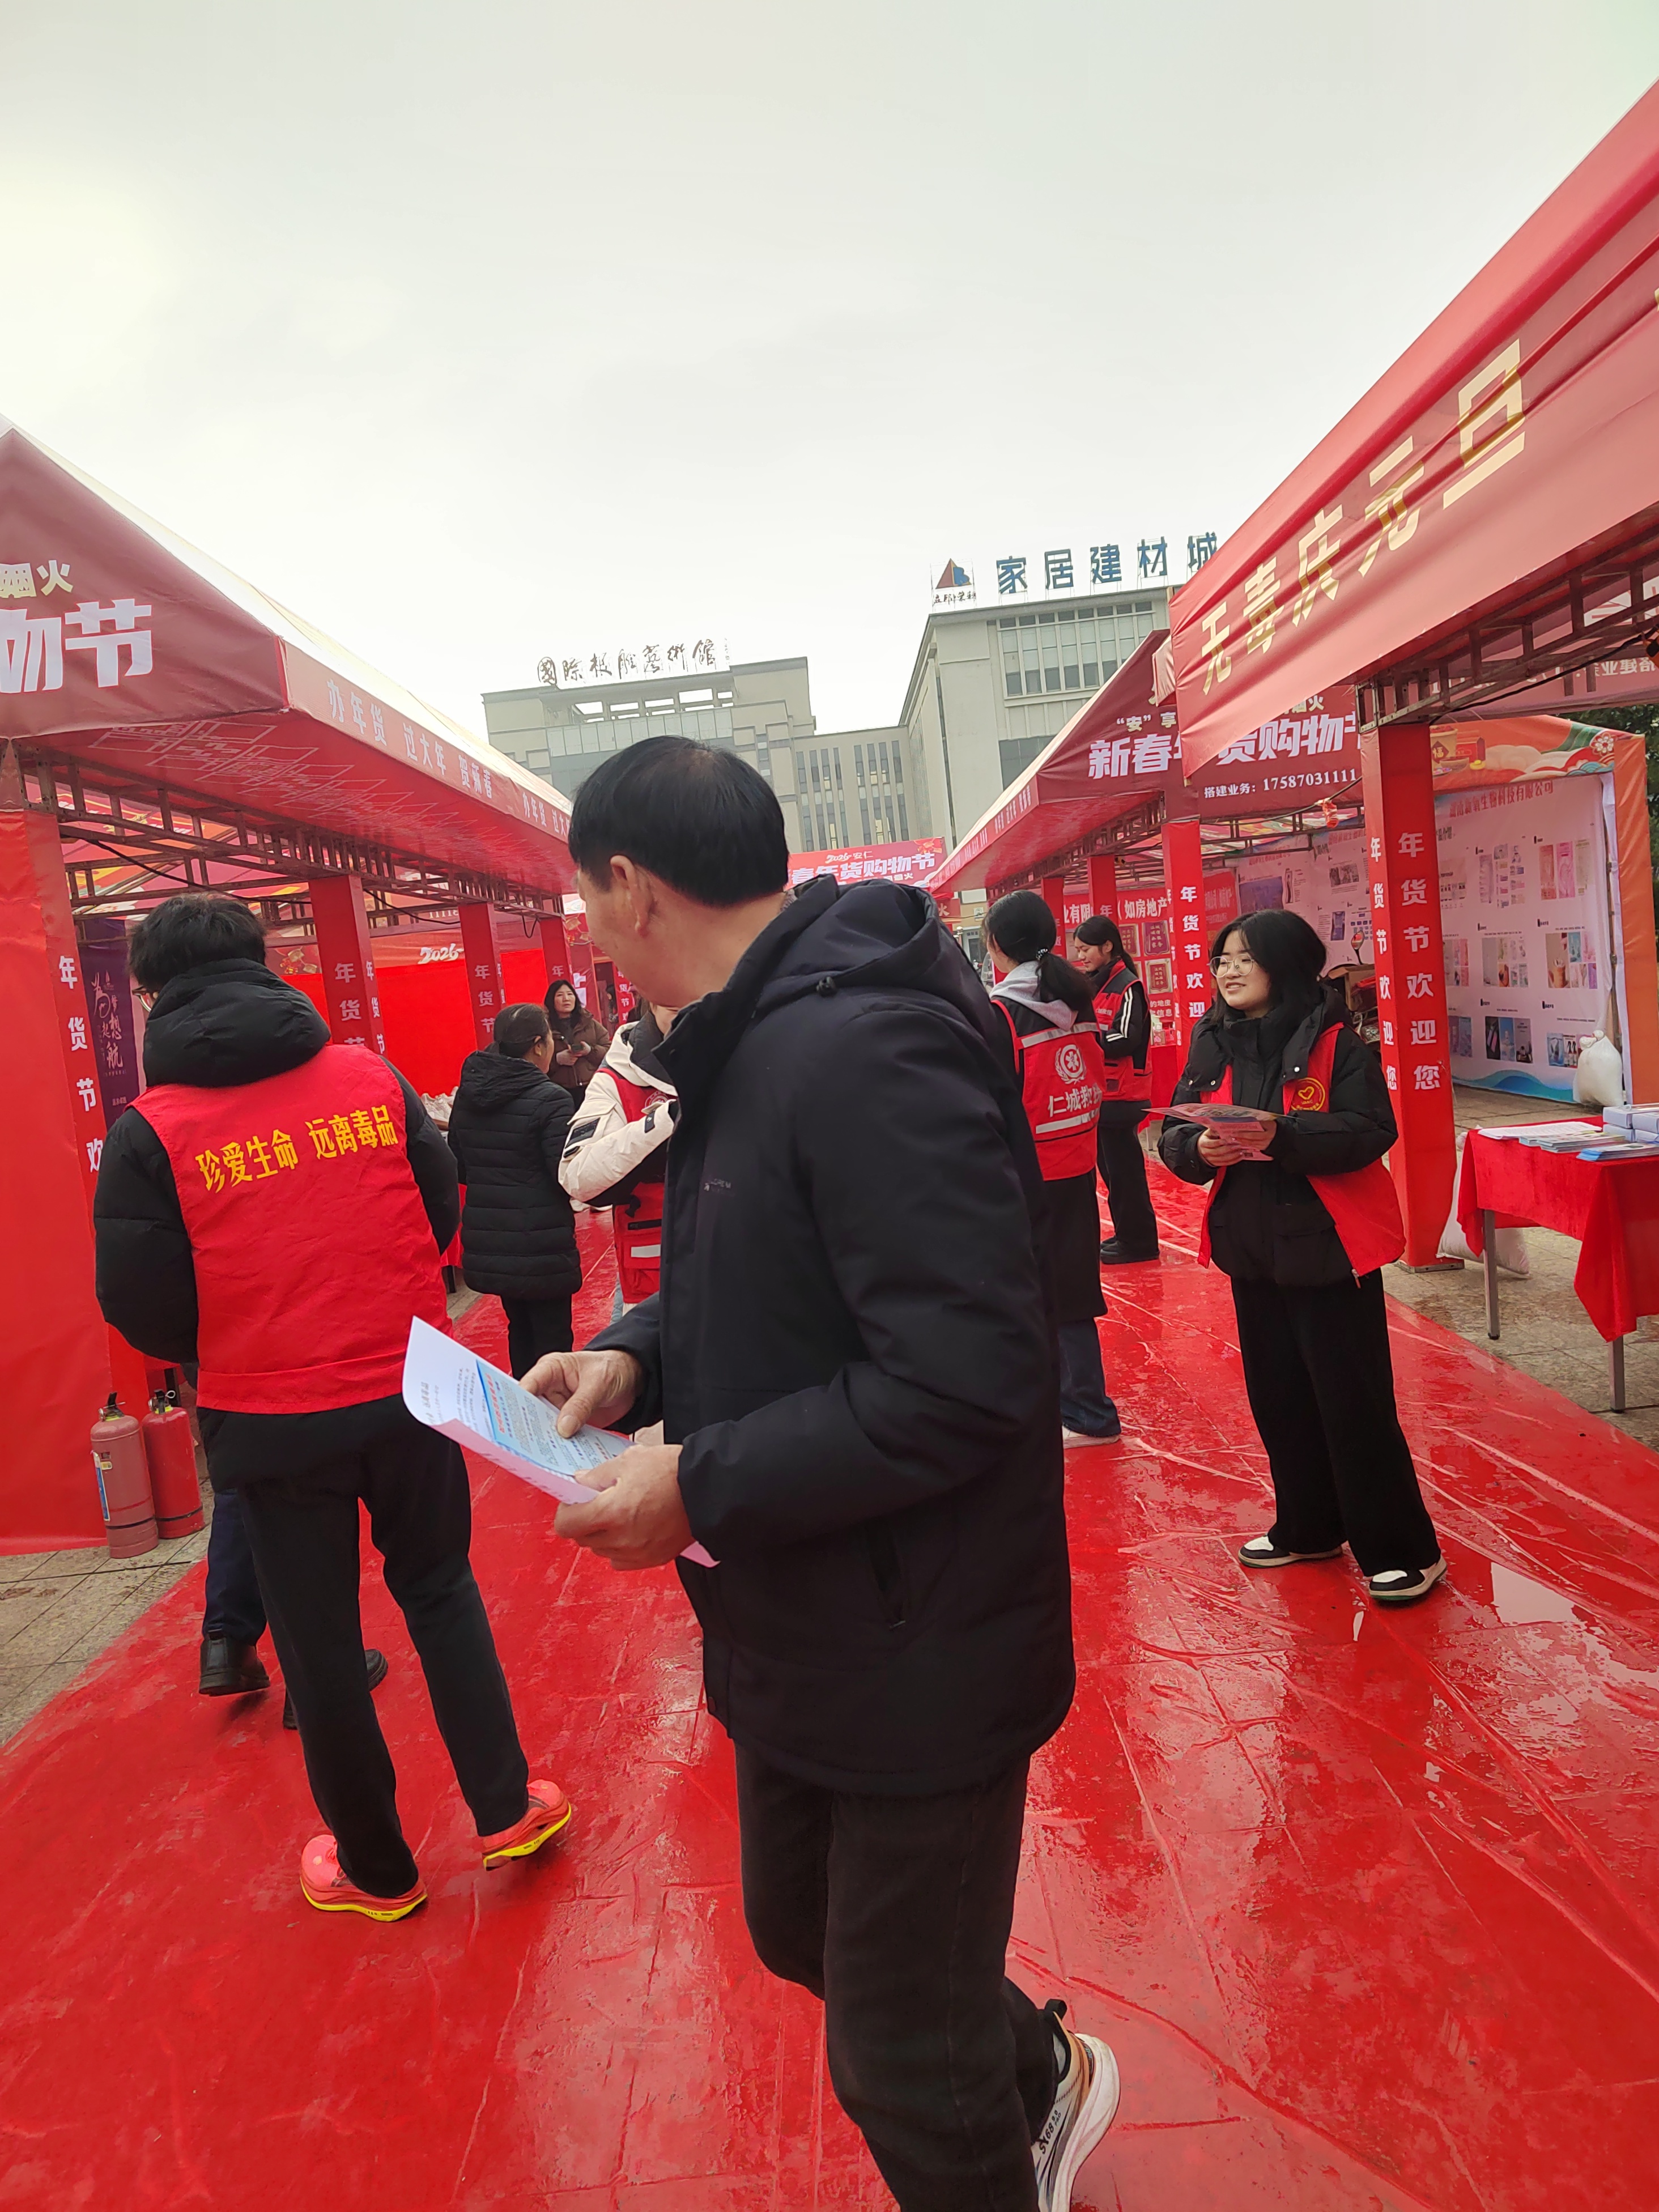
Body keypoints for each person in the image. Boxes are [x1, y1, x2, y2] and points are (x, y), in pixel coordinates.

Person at [523, 736, 1118, 2212]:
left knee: (901, 2052)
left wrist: (699, 1484)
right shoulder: (743, 1035)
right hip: (806, 1608)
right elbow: (763, 1268)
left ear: (631, 885)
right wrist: (636, 1357)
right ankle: (1041, 2073)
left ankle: (1010, 2103)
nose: (588, 933)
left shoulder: (858, 1046)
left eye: (585, 900)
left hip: (923, 1631)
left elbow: (965, 1374)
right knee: (799, 1928)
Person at [93, 891, 571, 1919]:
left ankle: (378, 1870)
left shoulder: (150, 1132)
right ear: (266, 964)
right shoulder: (367, 1076)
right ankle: (505, 1806)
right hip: (408, 1387)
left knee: (317, 1641)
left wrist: (237, 1340)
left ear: (152, 997)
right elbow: (436, 1201)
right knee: (440, 1587)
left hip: (268, 1419)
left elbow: (139, 1300)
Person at [1157, 908, 1445, 1605]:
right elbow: (1173, 1130)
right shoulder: (1212, 1039)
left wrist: (1282, 1135)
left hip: (1328, 1246)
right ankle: (1309, 1526)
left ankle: (1405, 1550)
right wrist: (1198, 1148)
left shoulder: (1335, 1040)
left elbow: (1370, 1129)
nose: (1227, 971)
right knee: (1279, 1397)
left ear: (1283, 964)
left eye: (1244, 959)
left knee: (1354, 1403)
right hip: (1252, 1246)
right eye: (1223, 959)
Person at [987, 892, 1120, 1447]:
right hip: (1076, 1161)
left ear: (996, 945)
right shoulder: (1076, 998)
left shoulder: (1001, 1011)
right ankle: (1079, 1403)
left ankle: (1083, 1410)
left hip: (1026, 1174)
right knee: (1071, 1288)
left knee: (1030, 1292)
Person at [446, 1001, 581, 1378]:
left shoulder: (470, 1093)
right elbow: (566, 1173)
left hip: (494, 1237)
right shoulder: (552, 1099)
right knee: (554, 1341)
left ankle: (525, 1405)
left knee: (519, 1328)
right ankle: (555, 1411)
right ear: (539, 1045)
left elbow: (458, 1161)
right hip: (542, 1242)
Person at [558, 998, 679, 1311]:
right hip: (656, 1284)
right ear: (651, 1000)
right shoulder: (620, 1074)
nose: (696, 1015)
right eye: (677, 1008)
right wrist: (664, 1122)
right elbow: (578, 1176)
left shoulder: (752, 1054)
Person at [1070, 916, 1159, 1264]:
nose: (1081, 956)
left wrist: (1083, 1041)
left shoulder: (1128, 985)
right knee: (1112, 1173)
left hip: (1123, 1095)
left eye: (1086, 949)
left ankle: (1139, 1243)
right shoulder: (1097, 984)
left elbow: (1126, 1037)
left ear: (1108, 946)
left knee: (1125, 1174)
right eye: (1078, 950)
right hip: (1102, 1094)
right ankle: (1127, 1235)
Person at [542, 975, 610, 1096]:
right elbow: (535, 1060)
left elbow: (609, 1052)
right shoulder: (544, 1027)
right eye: (560, 995)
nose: (566, 999)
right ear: (551, 1000)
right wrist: (557, 1060)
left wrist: (590, 1051)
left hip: (592, 1088)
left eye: (570, 994)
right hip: (558, 1091)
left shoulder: (590, 1023)